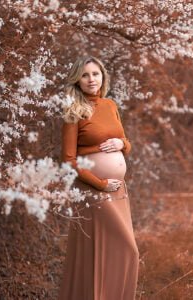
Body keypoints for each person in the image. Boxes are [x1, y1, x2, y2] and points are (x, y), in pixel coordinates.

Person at [58, 56, 139, 300]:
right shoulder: (73, 111)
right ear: (77, 81)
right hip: (94, 191)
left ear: (102, 76)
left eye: (95, 73)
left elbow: (126, 144)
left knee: (120, 252)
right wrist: (100, 184)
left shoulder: (110, 105)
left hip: (118, 192)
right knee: (124, 249)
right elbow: (68, 161)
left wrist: (122, 143)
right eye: (85, 75)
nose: (91, 79)